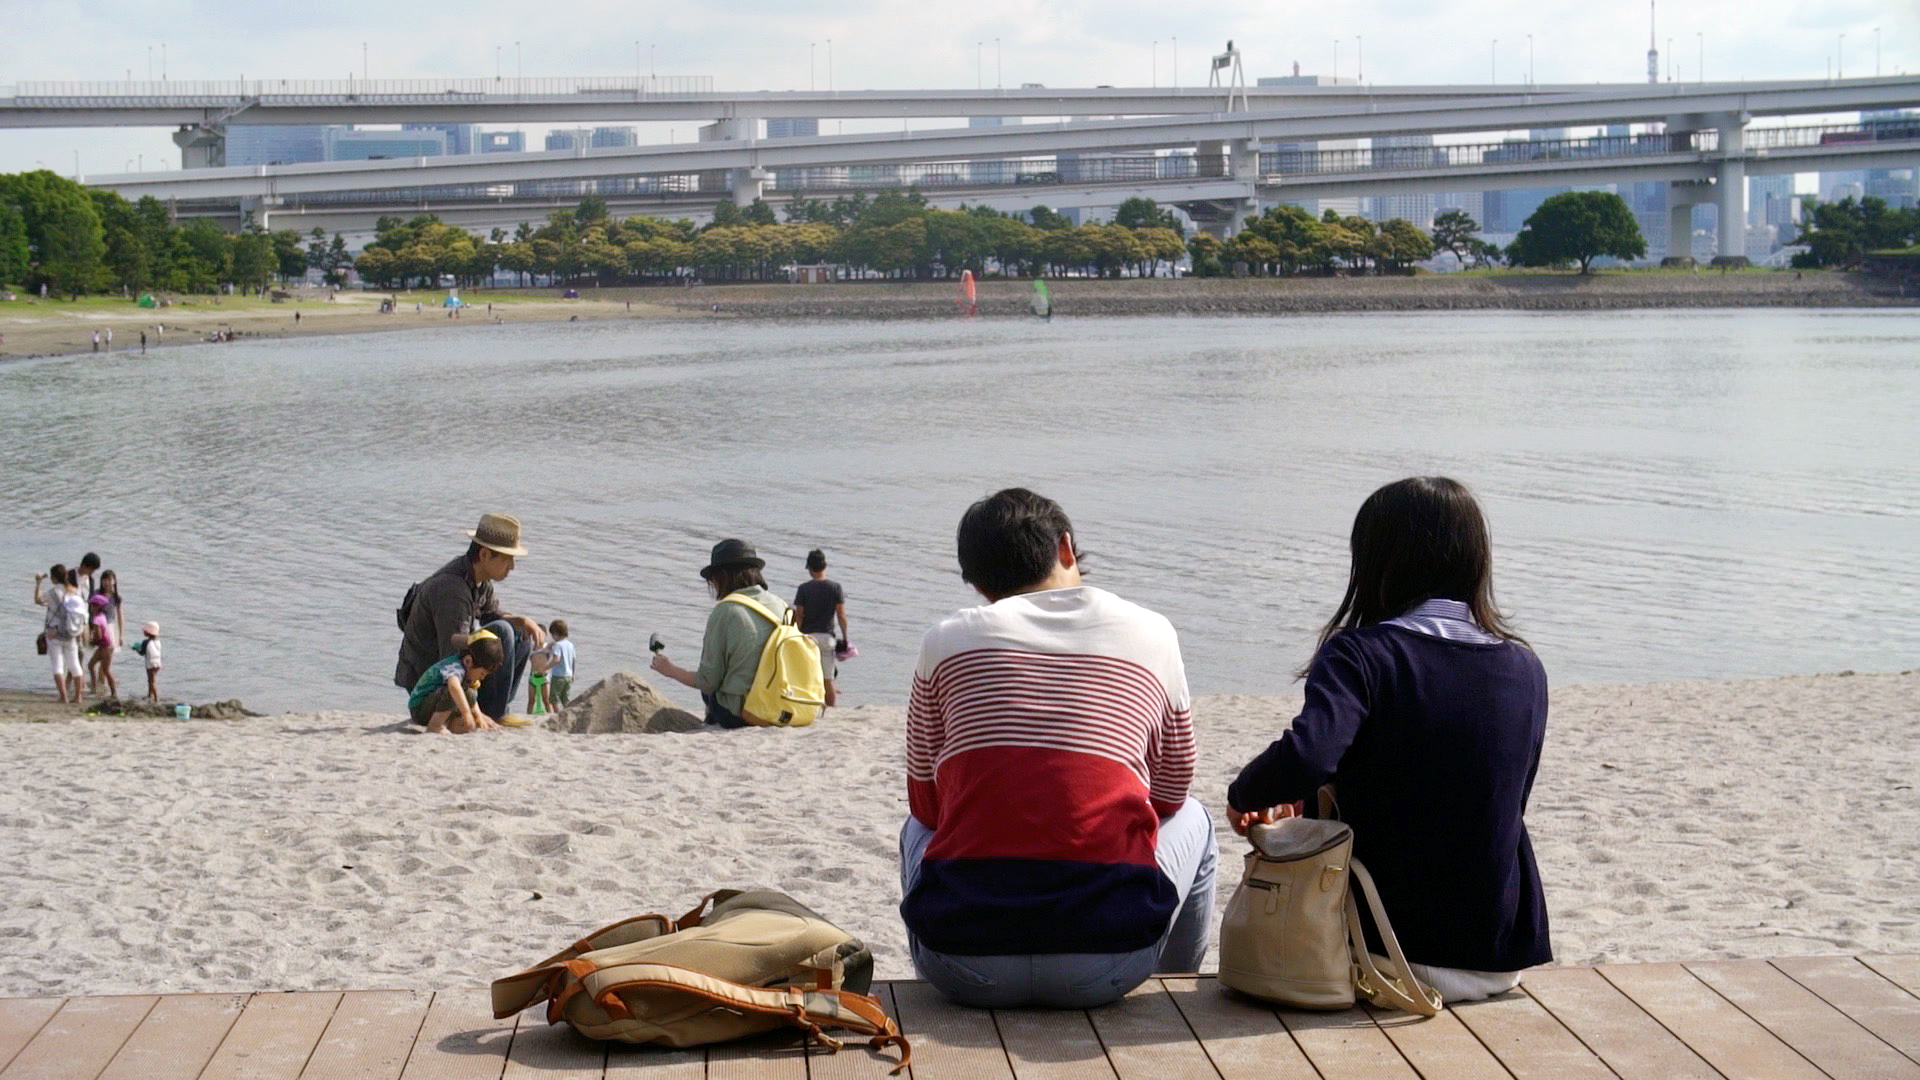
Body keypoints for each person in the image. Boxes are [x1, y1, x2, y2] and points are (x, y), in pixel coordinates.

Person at [1226, 477, 1550, 1004]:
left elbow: (1309, 753)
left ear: (1376, 562)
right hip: (1497, 953)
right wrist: (1309, 799)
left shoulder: (1360, 655)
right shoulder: (1524, 666)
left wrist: (1246, 793)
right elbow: (1474, 788)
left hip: (1385, 947)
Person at [898, 488, 1213, 1009]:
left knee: (917, 828)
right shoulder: (1153, 632)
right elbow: (1172, 792)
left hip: (962, 968)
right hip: (1112, 964)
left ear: (976, 583)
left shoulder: (945, 641)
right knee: (1197, 820)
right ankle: (1174, 990)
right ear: (1066, 547)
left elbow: (926, 805)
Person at [395, 513, 545, 724]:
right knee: (503, 631)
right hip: (431, 684)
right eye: (507, 559)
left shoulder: (479, 580)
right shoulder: (453, 590)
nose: (512, 567)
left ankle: (498, 707)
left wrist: (522, 621)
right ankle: (494, 713)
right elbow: (453, 650)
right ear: (484, 555)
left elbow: (491, 614)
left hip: (453, 672)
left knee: (521, 633)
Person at [650, 539, 789, 729]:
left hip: (745, 713)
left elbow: (707, 681)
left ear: (721, 576)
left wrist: (669, 670)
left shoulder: (726, 611)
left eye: (712, 579)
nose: (713, 585)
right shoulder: (780, 604)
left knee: (709, 692)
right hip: (785, 704)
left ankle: (711, 719)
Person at [407, 631, 506, 734]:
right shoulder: (455, 667)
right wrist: (466, 713)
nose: (482, 678)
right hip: (419, 708)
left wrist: (479, 716)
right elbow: (453, 687)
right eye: (482, 673)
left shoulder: (468, 673)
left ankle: (450, 724)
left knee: (470, 693)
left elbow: (471, 698)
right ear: (468, 661)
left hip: (435, 705)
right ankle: (435, 725)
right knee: (453, 691)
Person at [792, 549, 849, 707]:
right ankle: (830, 710)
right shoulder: (835, 587)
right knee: (828, 678)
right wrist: (845, 638)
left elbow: (799, 615)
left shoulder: (803, 589)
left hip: (808, 638)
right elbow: (841, 615)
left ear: (809, 568)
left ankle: (806, 706)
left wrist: (795, 634)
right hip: (827, 638)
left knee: (805, 676)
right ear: (825, 566)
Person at [33, 565, 87, 703]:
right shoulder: (74, 592)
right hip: (71, 632)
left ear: (53, 578)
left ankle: (63, 697)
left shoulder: (52, 593)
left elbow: (38, 600)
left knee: (57, 665)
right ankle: (78, 697)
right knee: (75, 665)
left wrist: (38, 582)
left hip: (54, 633)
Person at [88, 569, 125, 694]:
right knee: (97, 657)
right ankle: (99, 684)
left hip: (110, 628)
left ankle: (101, 683)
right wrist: (90, 629)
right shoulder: (96, 594)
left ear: (114, 581)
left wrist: (121, 635)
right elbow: (90, 612)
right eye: (105, 579)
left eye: (109, 580)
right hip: (98, 626)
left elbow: (120, 616)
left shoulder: (116, 598)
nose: (107, 582)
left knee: (105, 660)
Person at [87, 593, 118, 699]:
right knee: (91, 665)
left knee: (105, 670)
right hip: (105, 646)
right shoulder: (102, 616)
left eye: (92, 606)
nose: (91, 608)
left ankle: (113, 692)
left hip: (105, 647)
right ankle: (94, 688)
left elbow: (99, 636)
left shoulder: (96, 620)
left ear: (98, 607)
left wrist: (92, 642)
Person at [546, 619, 576, 708]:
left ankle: (558, 716)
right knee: (565, 699)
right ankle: (568, 713)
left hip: (558, 676)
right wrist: (573, 674)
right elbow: (574, 660)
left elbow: (556, 659)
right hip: (568, 676)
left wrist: (546, 667)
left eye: (552, 635)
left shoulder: (558, 645)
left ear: (555, 634)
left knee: (554, 699)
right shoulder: (570, 645)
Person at [132, 621, 162, 703]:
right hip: (158, 664)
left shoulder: (146, 642)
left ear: (148, 633)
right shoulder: (158, 641)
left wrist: (136, 648)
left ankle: (156, 698)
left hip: (150, 664)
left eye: (145, 631)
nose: (143, 632)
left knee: (151, 681)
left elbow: (142, 652)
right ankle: (150, 695)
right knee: (151, 680)